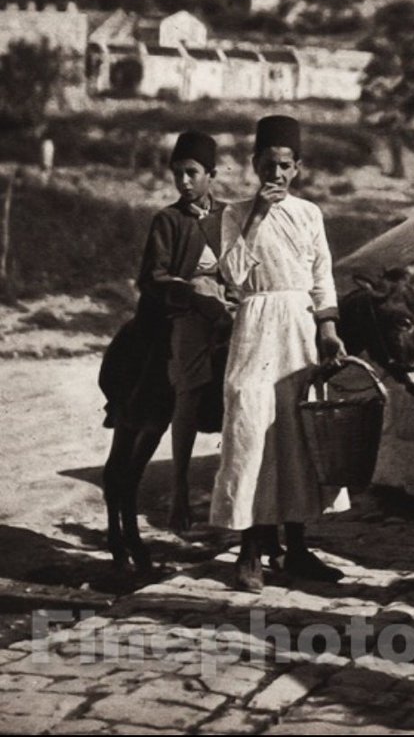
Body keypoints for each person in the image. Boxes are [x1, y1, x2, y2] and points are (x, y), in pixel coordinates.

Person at [209, 114, 349, 593]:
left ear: (298, 167)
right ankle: (249, 550)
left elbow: (321, 275)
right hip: (255, 327)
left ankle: (298, 548)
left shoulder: (310, 214)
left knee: (296, 435)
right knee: (250, 429)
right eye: (269, 164)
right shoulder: (234, 214)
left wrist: (327, 328)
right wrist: (258, 217)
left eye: (286, 166)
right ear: (254, 165)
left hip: (299, 329)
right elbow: (233, 276)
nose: (278, 174)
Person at [100, 130, 233, 563]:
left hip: (221, 319)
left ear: (212, 174)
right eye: (178, 174)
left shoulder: (229, 219)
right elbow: (151, 277)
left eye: (192, 173)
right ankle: (119, 528)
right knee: (141, 424)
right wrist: (190, 294)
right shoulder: (167, 221)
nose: (184, 182)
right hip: (171, 323)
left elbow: (241, 268)